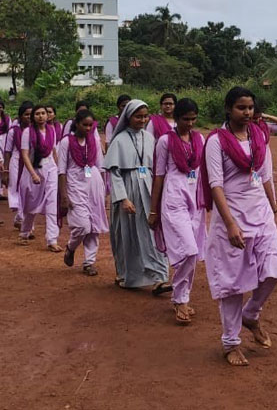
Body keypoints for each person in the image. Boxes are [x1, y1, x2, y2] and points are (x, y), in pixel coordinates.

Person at [203, 86, 277, 366]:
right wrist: (229, 224)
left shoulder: (259, 136)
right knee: (233, 282)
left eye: (250, 107)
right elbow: (215, 184)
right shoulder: (216, 141)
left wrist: (274, 212)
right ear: (229, 109)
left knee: (274, 269)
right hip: (232, 214)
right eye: (241, 107)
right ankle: (231, 342)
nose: (247, 112)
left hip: (261, 212)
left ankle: (251, 313)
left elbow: (266, 177)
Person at [103, 99, 171, 293]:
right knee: (127, 234)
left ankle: (159, 277)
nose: (142, 120)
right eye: (138, 116)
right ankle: (127, 275)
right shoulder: (119, 140)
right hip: (128, 189)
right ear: (128, 117)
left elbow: (157, 167)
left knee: (152, 231)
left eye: (145, 116)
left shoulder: (149, 138)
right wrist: (123, 198)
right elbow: (114, 173)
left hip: (148, 188)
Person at [149, 98, 205, 324]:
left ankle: (181, 297)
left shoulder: (199, 139)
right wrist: (153, 210)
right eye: (185, 119)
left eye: (193, 119)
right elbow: (159, 175)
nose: (189, 123)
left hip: (195, 199)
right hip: (173, 198)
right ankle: (180, 298)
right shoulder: (165, 141)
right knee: (188, 250)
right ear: (176, 118)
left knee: (193, 253)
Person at [58, 109, 109, 277]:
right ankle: (71, 247)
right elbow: (61, 170)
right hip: (74, 185)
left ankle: (89, 262)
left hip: (94, 184)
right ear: (77, 124)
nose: (88, 128)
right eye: (84, 125)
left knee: (94, 226)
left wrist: (104, 192)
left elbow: (101, 167)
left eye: (90, 125)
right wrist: (63, 195)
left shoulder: (94, 140)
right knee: (82, 226)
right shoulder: (66, 142)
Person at [19, 105, 60, 251]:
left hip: (50, 169)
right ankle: (25, 232)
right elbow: (25, 154)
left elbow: (53, 151)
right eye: (37, 114)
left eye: (43, 113)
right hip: (34, 169)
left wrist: (58, 169)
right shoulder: (27, 132)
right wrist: (33, 174)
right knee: (32, 203)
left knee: (52, 203)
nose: (41, 116)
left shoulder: (51, 130)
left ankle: (52, 239)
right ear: (33, 117)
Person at [4, 102, 34, 231]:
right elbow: (7, 151)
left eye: (31, 114)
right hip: (16, 161)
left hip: (31, 162)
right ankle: (22, 220)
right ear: (21, 116)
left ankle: (20, 219)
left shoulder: (36, 131)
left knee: (28, 190)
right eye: (26, 114)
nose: (29, 117)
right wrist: (6, 169)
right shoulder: (13, 131)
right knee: (17, 189)